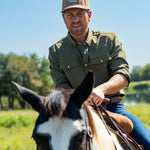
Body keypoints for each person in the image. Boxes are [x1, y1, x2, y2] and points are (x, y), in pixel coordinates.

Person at [48, 0, 150, 149]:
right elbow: (62, 88)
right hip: (78, 113)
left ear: (89, 15)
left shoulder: (109, 40)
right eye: (70, 15)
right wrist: (81, 98)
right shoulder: (55, 51)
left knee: (147, 141)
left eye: (80, 14)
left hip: (114, 109)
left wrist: (101, 90)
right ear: (63, 18)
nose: (75, 19)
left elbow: (123, 75)